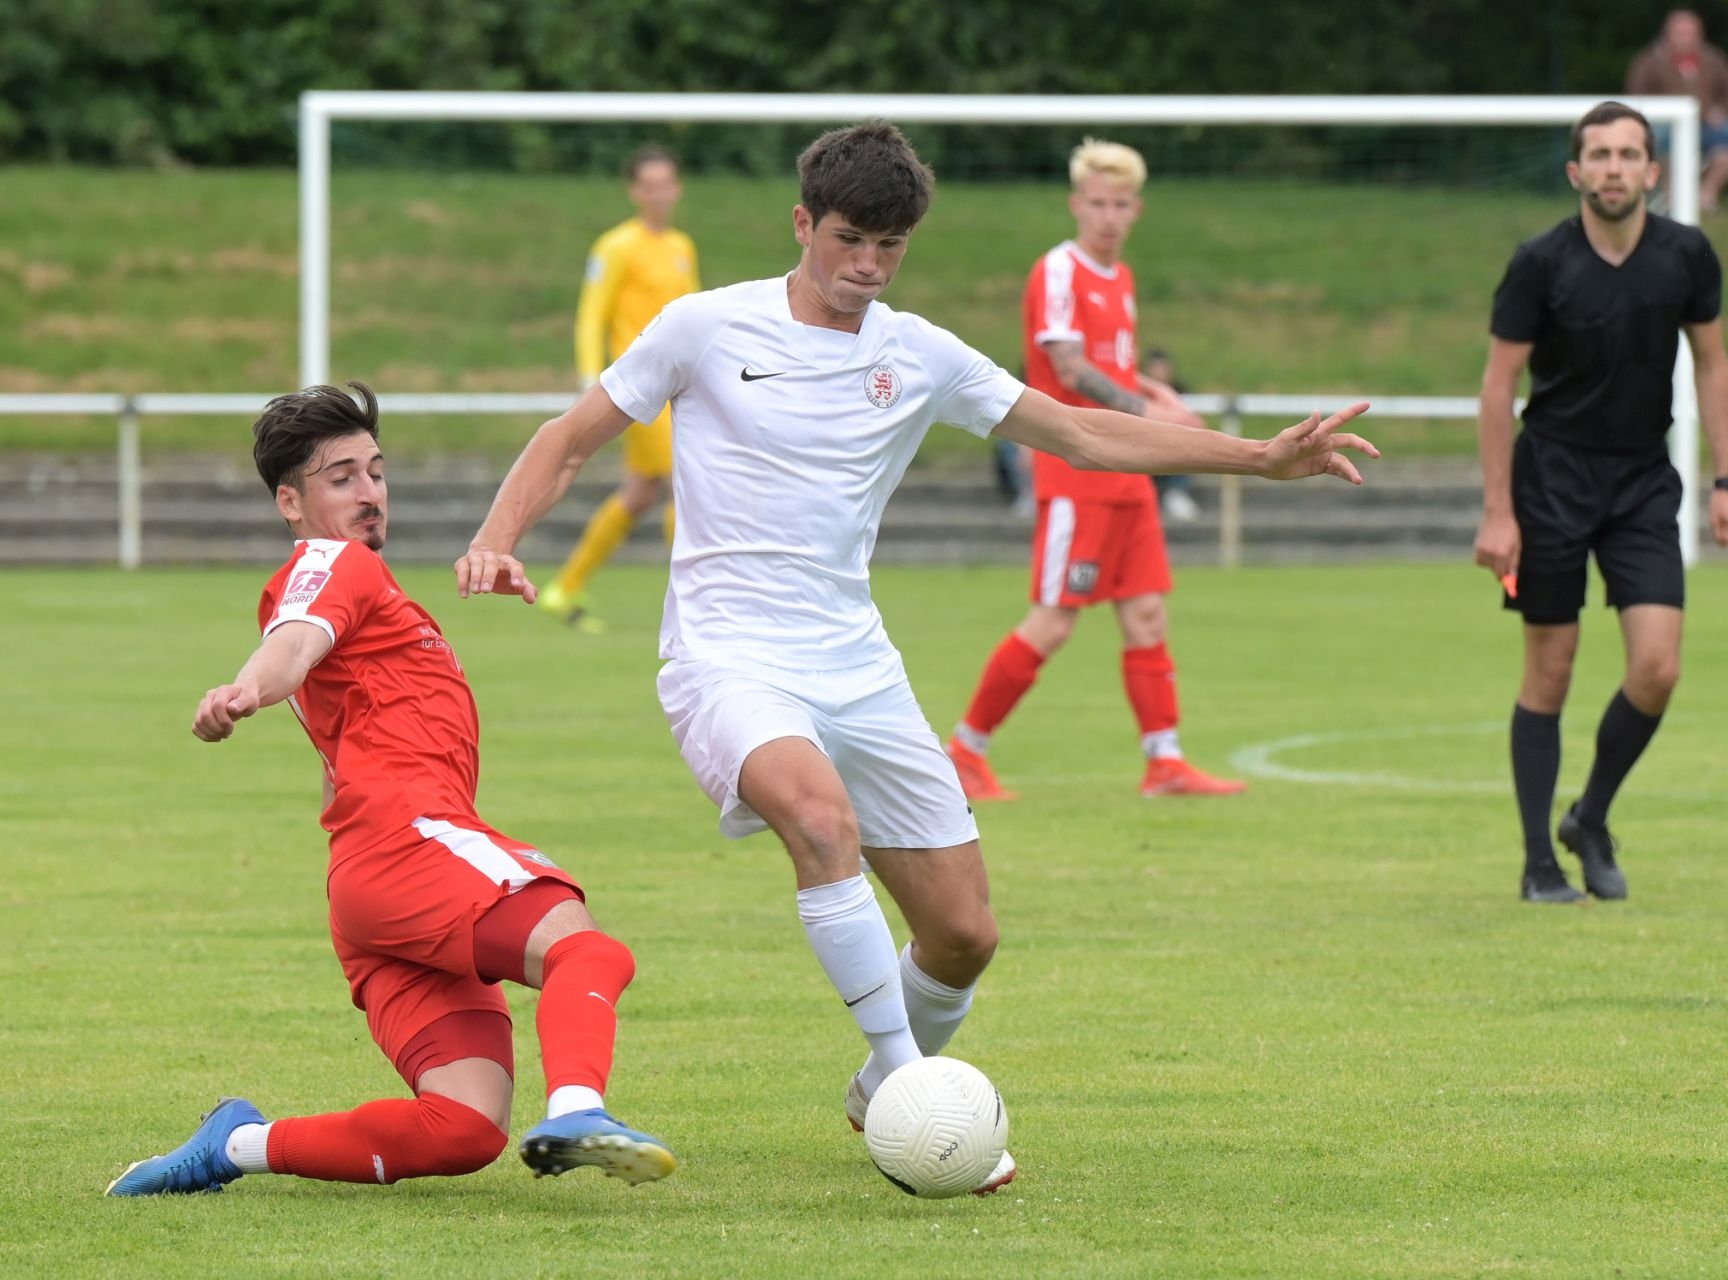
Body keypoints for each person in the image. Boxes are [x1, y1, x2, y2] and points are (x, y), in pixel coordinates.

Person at [454, 121, 1374, 1192]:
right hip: (727, 655)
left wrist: (1259, 458)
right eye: (849, 238)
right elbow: (569, 438)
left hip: (858, 663)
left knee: (963, 934)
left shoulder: (919, 352)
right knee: (819, 820)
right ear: (802, 224)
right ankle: (910, 1085)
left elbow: (1081, 432)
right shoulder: (704, 326)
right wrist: (496, 537)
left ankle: (875, 1090)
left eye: (889, 245)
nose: (868, 264)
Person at [108, 383, 674, 1196]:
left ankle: (236, 1146)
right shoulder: (332, 562)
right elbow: (290, 647)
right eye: (341, 478)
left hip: (370, 886)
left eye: (376, 472)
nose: (370, 492)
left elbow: (324, 691)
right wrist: (246, 689)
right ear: (291, 503)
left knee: (465, 1127)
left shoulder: (370, 593)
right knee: (585, 949)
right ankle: (579, 1111)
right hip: (408, 844)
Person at [1473, 101, 1728, 905]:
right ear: (1576, 172)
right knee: (1550, 670)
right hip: (1551, 481)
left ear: (1653, 171)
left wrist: (1727, 481)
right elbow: (1497, 389)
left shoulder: (1686, 255)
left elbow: (1714, 365)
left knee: (1658, 668)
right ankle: (1538, 864)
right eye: (1599, 155)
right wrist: (1498, 510)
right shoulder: (1539, 263)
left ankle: (1589, 818)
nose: (1614, 168)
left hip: (1641, 482)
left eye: (1629, 155)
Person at [946, 139, 1243, 803]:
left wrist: (1160, 398)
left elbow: (1115, 366)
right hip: (1077, 473)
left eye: (1120, 204)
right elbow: (1070, 367)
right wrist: (1151, 413)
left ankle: (1165, 762)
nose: (1109, 216)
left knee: (1147, 616)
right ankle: (964, 751)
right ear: (1076, 204)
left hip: (1129, 474)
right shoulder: (1059, 271)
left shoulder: (1121, 279)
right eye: (1098, 203)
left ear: (1137, 210)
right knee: (1053, 621)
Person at [538, 145, 700, 634]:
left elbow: (694, 317)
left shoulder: (681, 247)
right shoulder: (616, 246)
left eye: (666, 184)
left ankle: (565, 587)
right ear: (634, 191)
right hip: (641, 389)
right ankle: (693, 606)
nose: (659, 194)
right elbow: (593, 314)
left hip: (678, 388)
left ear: (678, 188)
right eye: (649, 186)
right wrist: (591, 378)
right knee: (685, 484)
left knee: (641, 491)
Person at [1626, 10, 1728, 214]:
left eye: (1690, 33)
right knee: (1656, 138)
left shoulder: (1713, 58)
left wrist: (1723, 112)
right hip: (1667, 126)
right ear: (1667, 34)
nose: (1685, 38)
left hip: (1706, 125)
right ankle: (1671, 197)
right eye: (1680, 33)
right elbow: (1636, 93)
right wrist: (1662, 113)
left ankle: (1707, 193)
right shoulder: (1650, 60)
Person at [1144, 349, 1201, 522]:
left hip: (1171, 445)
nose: (1159, 373)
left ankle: (1176, 493)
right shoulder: (1137, 392)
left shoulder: (1180, 392)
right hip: (1145, 444)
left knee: (1186, 449)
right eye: (1155, 368)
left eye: (1163, 368)